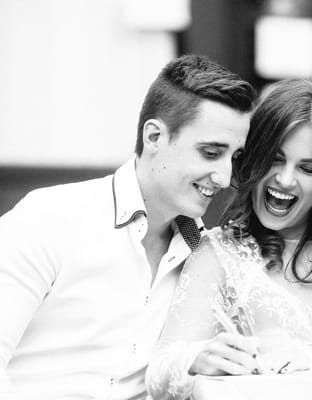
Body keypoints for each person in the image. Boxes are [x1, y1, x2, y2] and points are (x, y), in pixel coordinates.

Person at [0, 54, 256, 399]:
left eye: (234, 158)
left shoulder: (204, 256)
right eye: (211, 153)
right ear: (154, 137)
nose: (225, 178)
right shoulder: (49, 218)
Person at [145, 79, 312, 399]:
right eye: (275, 158)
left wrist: (311, 359)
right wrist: (196, 359)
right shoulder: (218, 253)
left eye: (308, 168)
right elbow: (159, 371)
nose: (285, 180)